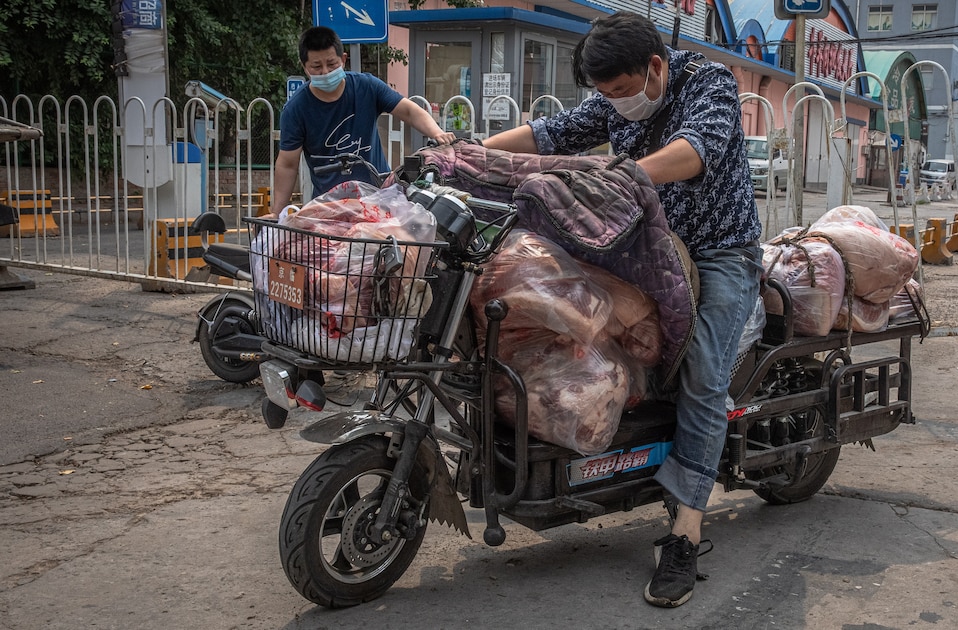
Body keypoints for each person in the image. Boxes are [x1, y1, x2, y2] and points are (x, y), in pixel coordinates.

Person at [483, 11, 762, 608]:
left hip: (719, 254)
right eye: (603, 96)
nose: (613, 105)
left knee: (704, 376)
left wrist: (622, 177)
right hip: (642, 250)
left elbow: (695, 150)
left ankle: (685, 533)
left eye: (618, 92)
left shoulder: (708, 84)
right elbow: (549, 134)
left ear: (655, 69)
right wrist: (467, 156)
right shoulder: (617, 100)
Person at [271, 26, 455, 214]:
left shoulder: (366, 87)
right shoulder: (296, 108)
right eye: (317, 67)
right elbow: (287, 164)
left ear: (343, 60)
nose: (325, 72)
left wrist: (437, 133)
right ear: (305, 67)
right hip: (330, 208)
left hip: (380, 198)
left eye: (332, 64)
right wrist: (277, 213)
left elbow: (409, 111)